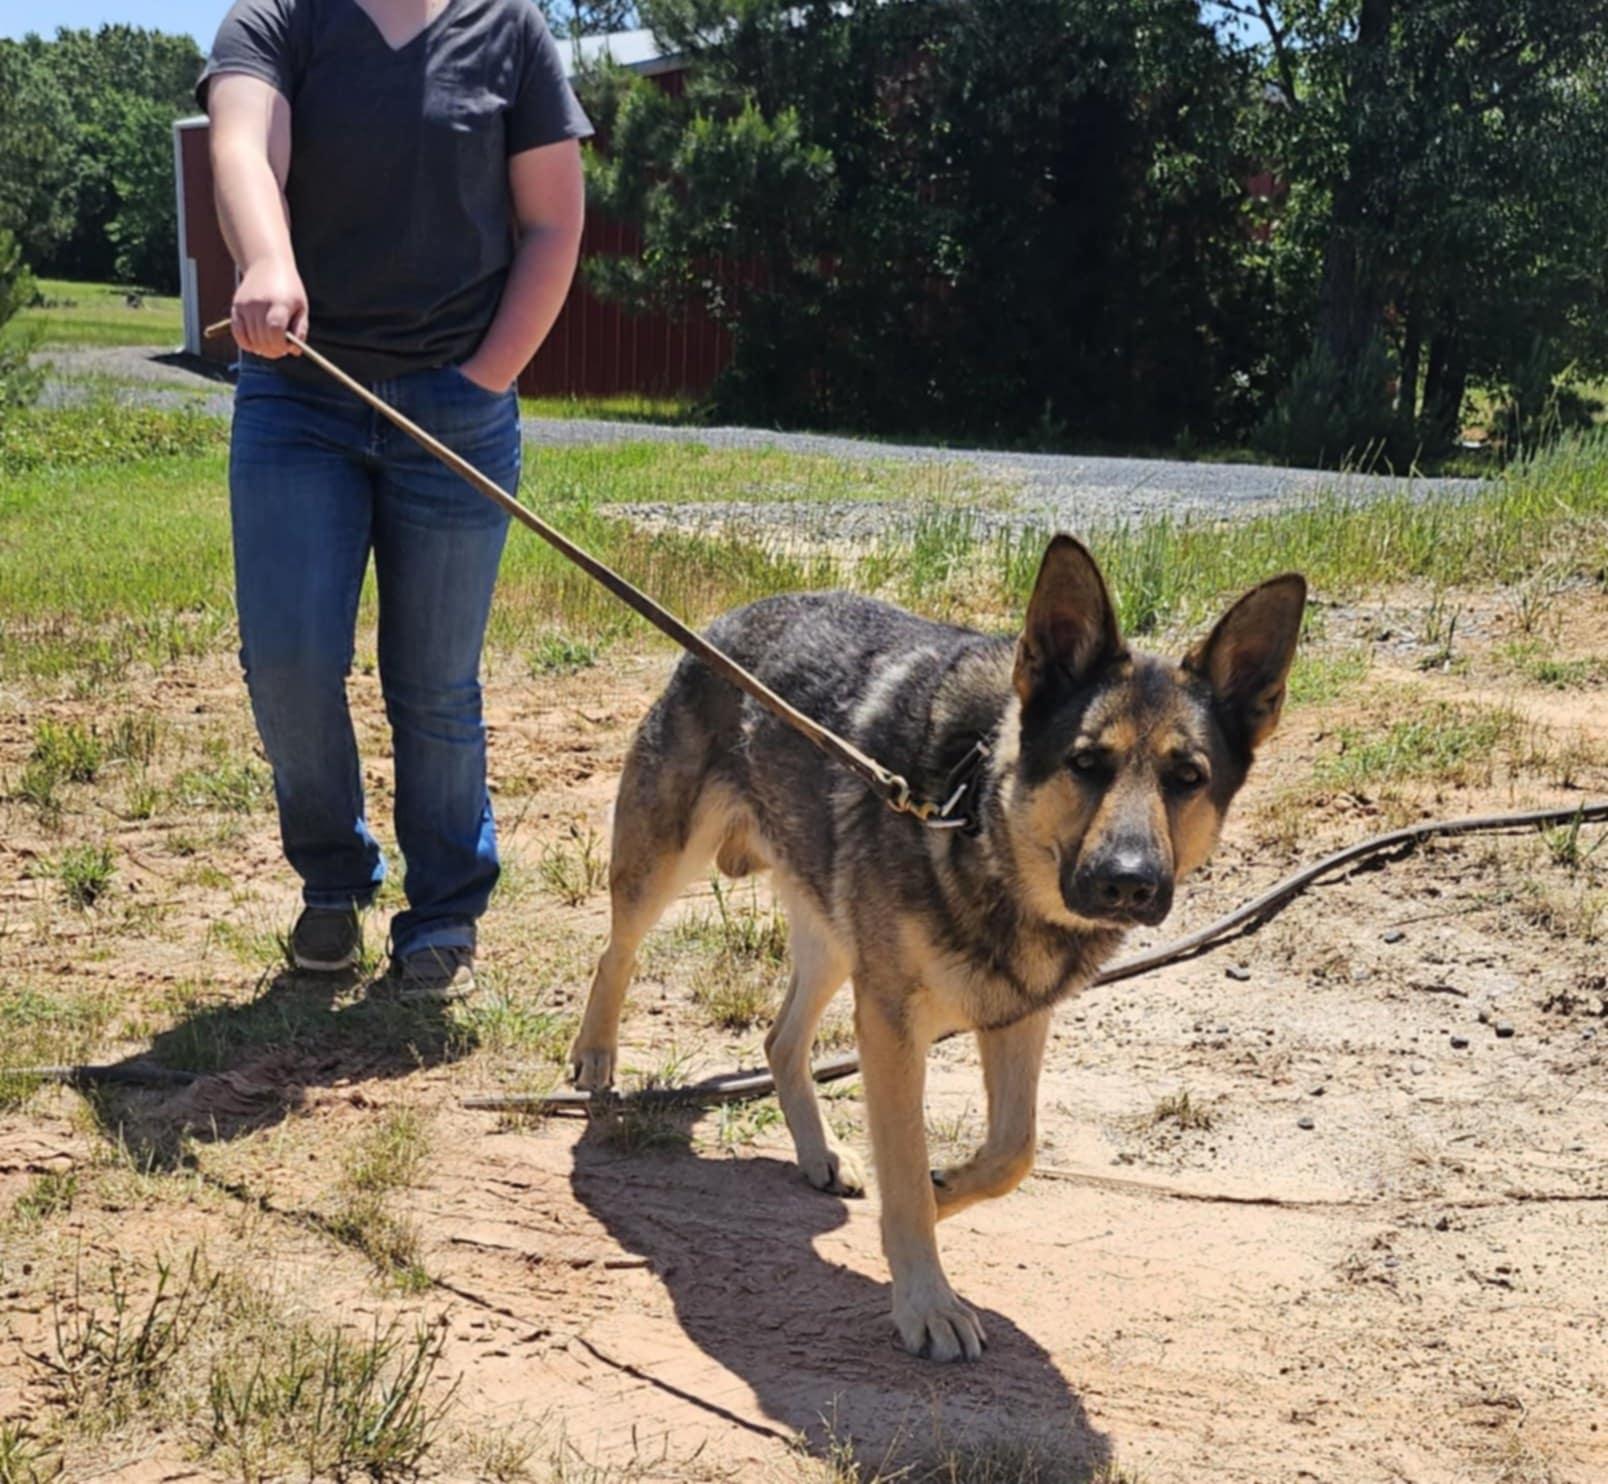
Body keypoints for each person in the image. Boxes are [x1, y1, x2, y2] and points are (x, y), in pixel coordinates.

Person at [198, 0, 590, 997]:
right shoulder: (278, 20)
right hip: (298, 401)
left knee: (435, 681)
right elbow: (242, 145)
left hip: (457, 406)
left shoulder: (510, 31)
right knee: (287, 660)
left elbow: (552, 221)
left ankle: (446, 910)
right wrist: (267, 260)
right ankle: (333, 884)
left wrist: (486, 379)